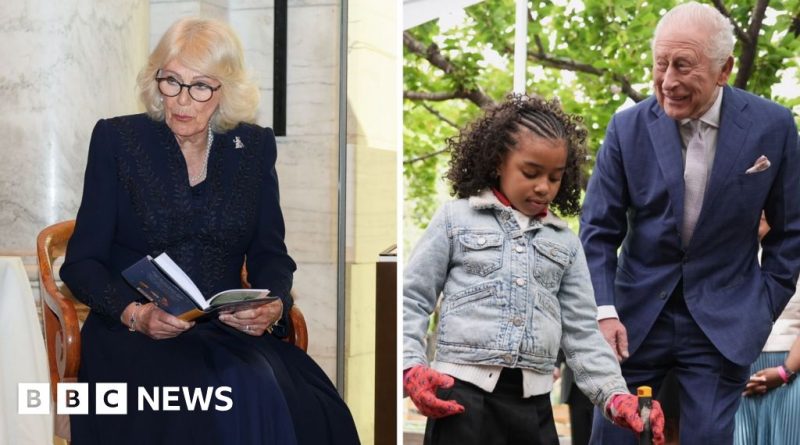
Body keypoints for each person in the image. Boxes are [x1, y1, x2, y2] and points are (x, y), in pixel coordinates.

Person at [60, 17, 359, 445]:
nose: (182, 100)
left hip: (227, 332)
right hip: (133, 335)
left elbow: (270, 255)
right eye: (171, 81)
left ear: (226, 90)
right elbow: (81, 263)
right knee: (221, 397)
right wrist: (135, 314)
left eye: (200, 86)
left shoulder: (253, 147)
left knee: (315, 405)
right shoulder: (117, 140)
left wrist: (273, 305)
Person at [579, 2, 800, 444]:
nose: (668, 81)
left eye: (683, 65)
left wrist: (760, 308)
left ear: (724, 70)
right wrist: (603, 312)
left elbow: (790, 230)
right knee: (613, 437)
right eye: (660, 64)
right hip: (633, 321)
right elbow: (598, 232)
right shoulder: (625, 129)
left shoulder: (773, 127)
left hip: (724, 322)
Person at [402, 95, 664, 445]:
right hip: (461, 399)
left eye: (555, 177)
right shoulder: (455, 219)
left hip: (534, 408)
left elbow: (583, 334)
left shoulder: (566, 243)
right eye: (531, 173)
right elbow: (411, 299)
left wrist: (615, 396)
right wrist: (410, 366)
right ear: (498, 162)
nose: (544, 187)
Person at [734, 215, 800, 444]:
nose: (761, 212)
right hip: (741, 377)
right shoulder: (739, 260)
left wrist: (785, 372)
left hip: (791, 373)